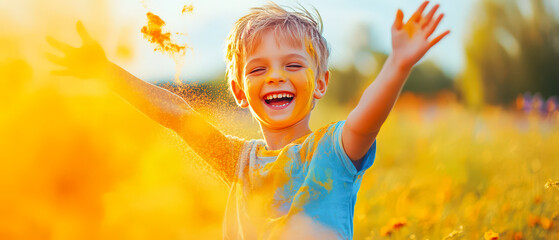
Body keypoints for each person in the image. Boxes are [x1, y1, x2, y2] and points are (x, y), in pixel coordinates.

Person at [46, 1, 449, 239]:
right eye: (257, 70)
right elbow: (177, 115)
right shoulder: (238, 161)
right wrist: (106, 72)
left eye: (293, 64)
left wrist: (397, 65)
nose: (275, 76)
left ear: (321, 82)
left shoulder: (332, 152)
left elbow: (366, 119)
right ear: (239, 92)